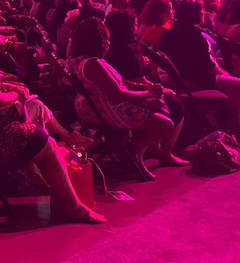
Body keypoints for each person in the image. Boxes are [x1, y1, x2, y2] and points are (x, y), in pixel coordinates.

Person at [0, 18, 105, 224]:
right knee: (48, 146)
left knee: (39, 125)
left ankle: (50, 185)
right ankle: (73, 207)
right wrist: (17, 96)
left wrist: (12, 90)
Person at [69, 18, 186, 176]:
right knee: (165, 124)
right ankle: (133, 154)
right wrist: (148, 94)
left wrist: (146, 87)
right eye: (106, 39)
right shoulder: (93, 64)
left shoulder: (79, 60)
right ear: (97, 41)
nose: (108, 43)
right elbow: (118, 94)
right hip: (106, 110)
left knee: (162, 107)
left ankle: (133, 153)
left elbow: (119, 82)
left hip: (95, 107)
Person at [160, 0, 240, 137]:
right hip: (193, 80)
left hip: (178, 78)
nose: (203, 13)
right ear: (194, 13)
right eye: (201, 10)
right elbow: (208, 66)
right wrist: (227, 76)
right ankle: (235, 126)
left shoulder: (170, 32)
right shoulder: (194, 36)